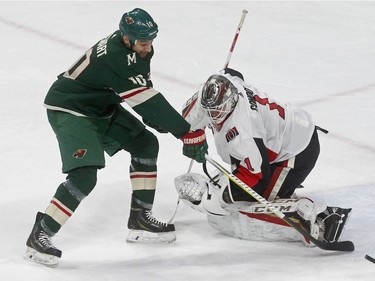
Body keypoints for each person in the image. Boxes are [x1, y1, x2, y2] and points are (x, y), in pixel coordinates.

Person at [25, 8, 208, 266]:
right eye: (144, 42)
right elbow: (146, 99)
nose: (148, 47)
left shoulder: (138, 49)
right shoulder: (116, 57)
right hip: (71, 110)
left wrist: (155, 118)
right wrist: (186, 133)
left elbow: (142, 88)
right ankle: (41, 232)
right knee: (85, 174)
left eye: (151, 41)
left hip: (100, 107)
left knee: (145, 143)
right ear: (126, 38)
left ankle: (140, 218)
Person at [175, 68, 351, 246]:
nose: (213, 118)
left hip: (296, 153)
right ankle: (284, 193)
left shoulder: (244, 133)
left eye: (217, 112)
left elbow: (257, 177)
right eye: (210, 112)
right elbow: (233, 73)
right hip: (285, 135)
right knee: (240, 191)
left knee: (254, 205)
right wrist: (185, 132)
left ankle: (320, 218)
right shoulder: (229, 85)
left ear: (230, 102)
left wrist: (221, 197)